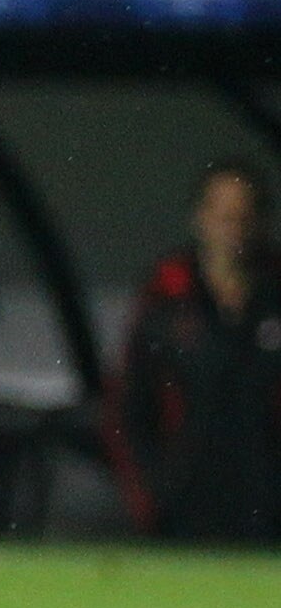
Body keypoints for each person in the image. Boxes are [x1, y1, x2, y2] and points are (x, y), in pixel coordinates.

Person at [106, 161, 281, 541]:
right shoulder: (166, 297)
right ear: (201, 218)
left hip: (269, 508)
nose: (233, 228)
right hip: (183, 509)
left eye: (243, 216)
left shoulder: (274, 297)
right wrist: (150, 492)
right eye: (223, 215)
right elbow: (128, 405)